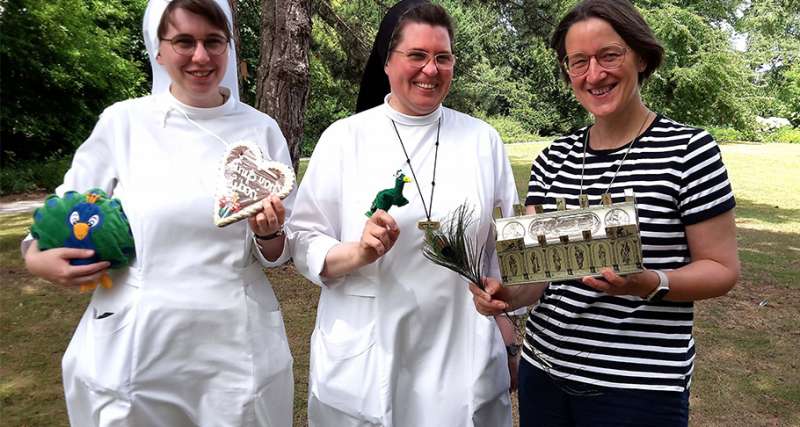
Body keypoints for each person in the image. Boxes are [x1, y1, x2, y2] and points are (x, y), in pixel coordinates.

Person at [22, 0, 295, 425]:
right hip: (136, 344)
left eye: (213, 42)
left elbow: (277, 255)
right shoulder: (123, 124)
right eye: (184, 41)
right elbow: (63, 213)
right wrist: (37, 258)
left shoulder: (261, 130)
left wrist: (268, 234)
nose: (201, 56)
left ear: (229, 47)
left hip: (234, 348)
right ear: (158, 48)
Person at [470, 1, 740, 426]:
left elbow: (722, 269)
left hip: (639, 388)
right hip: (545, 374)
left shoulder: (690, 151)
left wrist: (649, 282)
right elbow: (538, 277)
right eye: (579, 62)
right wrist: (507, 295)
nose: (594, 74)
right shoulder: (553, 158)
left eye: (609, 55)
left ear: (641, 56)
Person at [288, 3, 518, 426]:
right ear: (387, 61)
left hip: (461, 352)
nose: (430, 70)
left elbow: (503, 250)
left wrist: (506, 324)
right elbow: (302, 237)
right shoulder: (344, 139)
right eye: (417, 55)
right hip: (371, 353)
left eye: (442, 57)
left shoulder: (483, 141)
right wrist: (357, 252)